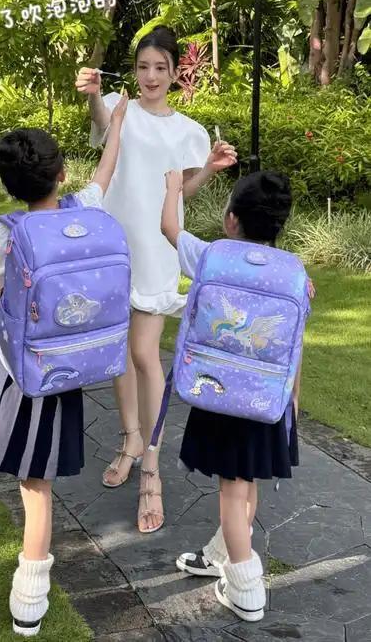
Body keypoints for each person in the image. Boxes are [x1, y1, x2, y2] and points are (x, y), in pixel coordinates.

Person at [0, 95, 128, 637]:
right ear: (62, 174)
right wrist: (116, 122)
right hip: (57, 372)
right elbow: (107, 170)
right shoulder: (86, 211)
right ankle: (29, 601)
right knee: (36, 484)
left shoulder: (5, 234)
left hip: (3, 369)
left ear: (8, 186)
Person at [75, 25, 237, 533]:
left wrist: (209, 168)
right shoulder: (120, 108)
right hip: (113, 243)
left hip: (157, 246)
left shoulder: (188, 129)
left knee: (145, 353)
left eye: (160, 68)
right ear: (135, 71)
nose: (150, 76)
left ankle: (151, 463)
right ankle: (129, 438)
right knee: (119, 350)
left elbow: (180, 191)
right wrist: (95, 94)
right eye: (143, 67)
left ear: (174, 73)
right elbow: (102, 125)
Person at [161, 168, 305, 622]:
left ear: (230, 219)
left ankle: (246, 587)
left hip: (219, 391)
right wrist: (293, 396)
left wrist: (173, 189)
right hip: (266, 397)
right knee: (246, 481)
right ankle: (221, 554)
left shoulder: (212, 256)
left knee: (231, 489)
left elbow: (170, 228)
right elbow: (295, 341)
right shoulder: (293, 273)